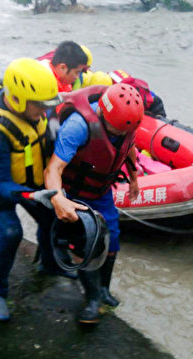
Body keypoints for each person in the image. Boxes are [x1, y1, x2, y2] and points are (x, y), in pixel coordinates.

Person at [0, 58, 71, 321]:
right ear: (18, 100)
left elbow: (46, 125)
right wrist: (33, 195)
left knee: (51, 216)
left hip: (28, 176)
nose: (44, 111)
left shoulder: (34, 109)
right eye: (39, 105)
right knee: (10, 233)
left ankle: (50, 264)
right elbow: (1, 183)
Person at [44, 83, 144, 323]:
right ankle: (92, 299)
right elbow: (53, 169)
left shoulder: (126, 126)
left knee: (113, 240)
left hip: (100, 191)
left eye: (123, 131)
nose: (119, 134)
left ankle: (103, 290)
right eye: (115, 130)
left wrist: (133, 178)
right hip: (74, 192)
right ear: (102, 114)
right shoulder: (78, 126)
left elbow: (128, 147)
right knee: (84, 245)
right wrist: (58, 199)